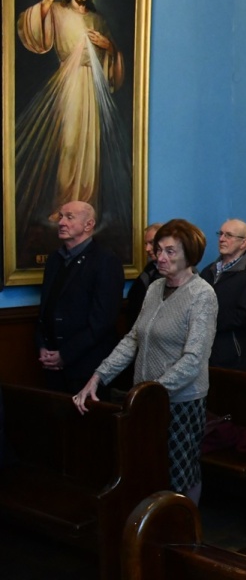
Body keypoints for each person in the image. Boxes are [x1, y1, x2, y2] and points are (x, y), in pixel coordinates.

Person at [74, 219, 217, 505]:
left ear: (189, 255)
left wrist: (151, 392)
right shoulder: (154, 288)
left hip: (181, 401)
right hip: (146, 398)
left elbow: (194, 359)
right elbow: (132, 339)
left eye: (170, 252)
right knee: (146, 466)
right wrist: (98, 376)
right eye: (158, 250)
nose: (160, 257)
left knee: (181, 472)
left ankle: (186, 534)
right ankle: (153, 532)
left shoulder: (202, 295)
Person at [15, 0, 130, 241]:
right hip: (69, 83)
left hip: (92, 86)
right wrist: (44, 6)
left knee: (90, 149)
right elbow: (35, 35)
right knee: (68, 144)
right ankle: (64, 207)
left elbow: (113, 65)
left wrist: (109, 46)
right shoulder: (57, 10)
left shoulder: (98, 20)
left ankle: (86, 210)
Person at [36, 201, 124, 393]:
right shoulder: (54, 259)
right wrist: (43, 345)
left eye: (69, 217)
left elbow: (102, 321)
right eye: (60, 216)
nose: (61, 222)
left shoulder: (106, 261)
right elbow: (46, 308)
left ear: (88, 225)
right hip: (52, 367)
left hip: (87, 369)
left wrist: (65, 355)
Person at [199, 219, 246, 371]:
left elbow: (241, 316)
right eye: (220, 234)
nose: (221, 239)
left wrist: (203, 320)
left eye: (228, 235)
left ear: (243, 243)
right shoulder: (208, 271)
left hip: (232, 355)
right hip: (203, 350)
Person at [126, 222, 163, 326]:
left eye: (152, 243)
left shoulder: (181, 274)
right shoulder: (148, 272)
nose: (147, 249)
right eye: (146, 244)